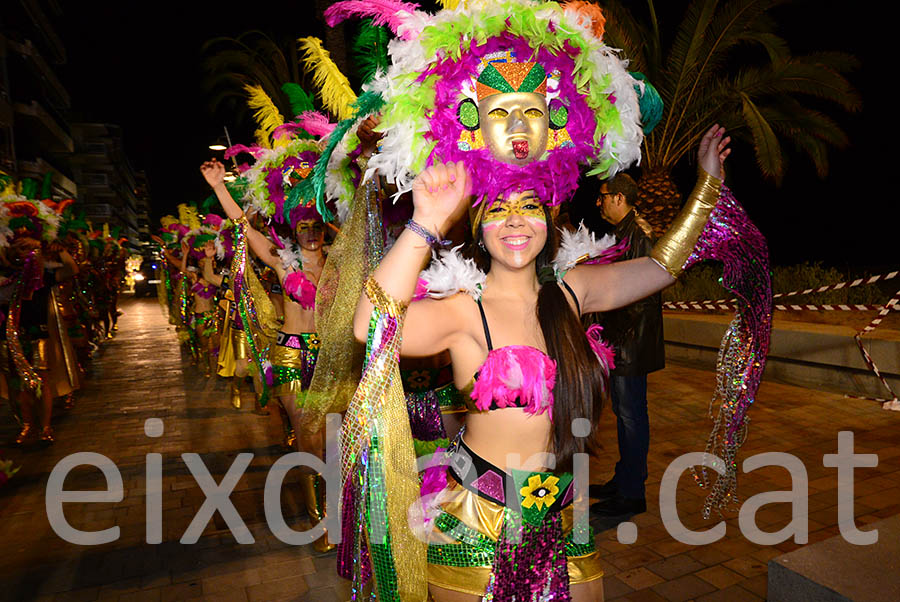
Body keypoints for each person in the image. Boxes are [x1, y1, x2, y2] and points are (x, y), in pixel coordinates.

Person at [201, 157, 335, 553]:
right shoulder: (281, 261)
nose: (310, 232)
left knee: (333, 439)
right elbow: (245, 226)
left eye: (317, 224)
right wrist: (218, 187)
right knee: (308, 436)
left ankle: (338, 510)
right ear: (293, 229)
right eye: (303, 225)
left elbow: (368, 231)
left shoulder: (340, 261)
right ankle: (320, 523)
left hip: (330, 356)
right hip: (292, 353)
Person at [589, 173, 665, 519]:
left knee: (632, 416)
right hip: (621, 341)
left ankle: (633, 493)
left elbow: (642, 294)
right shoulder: (624, 232)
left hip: (630, 344)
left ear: (619, 198)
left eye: (603, 196)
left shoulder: (641, 234)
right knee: (625, 414)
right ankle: (625, 480)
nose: (599, 202)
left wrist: (614, 337)